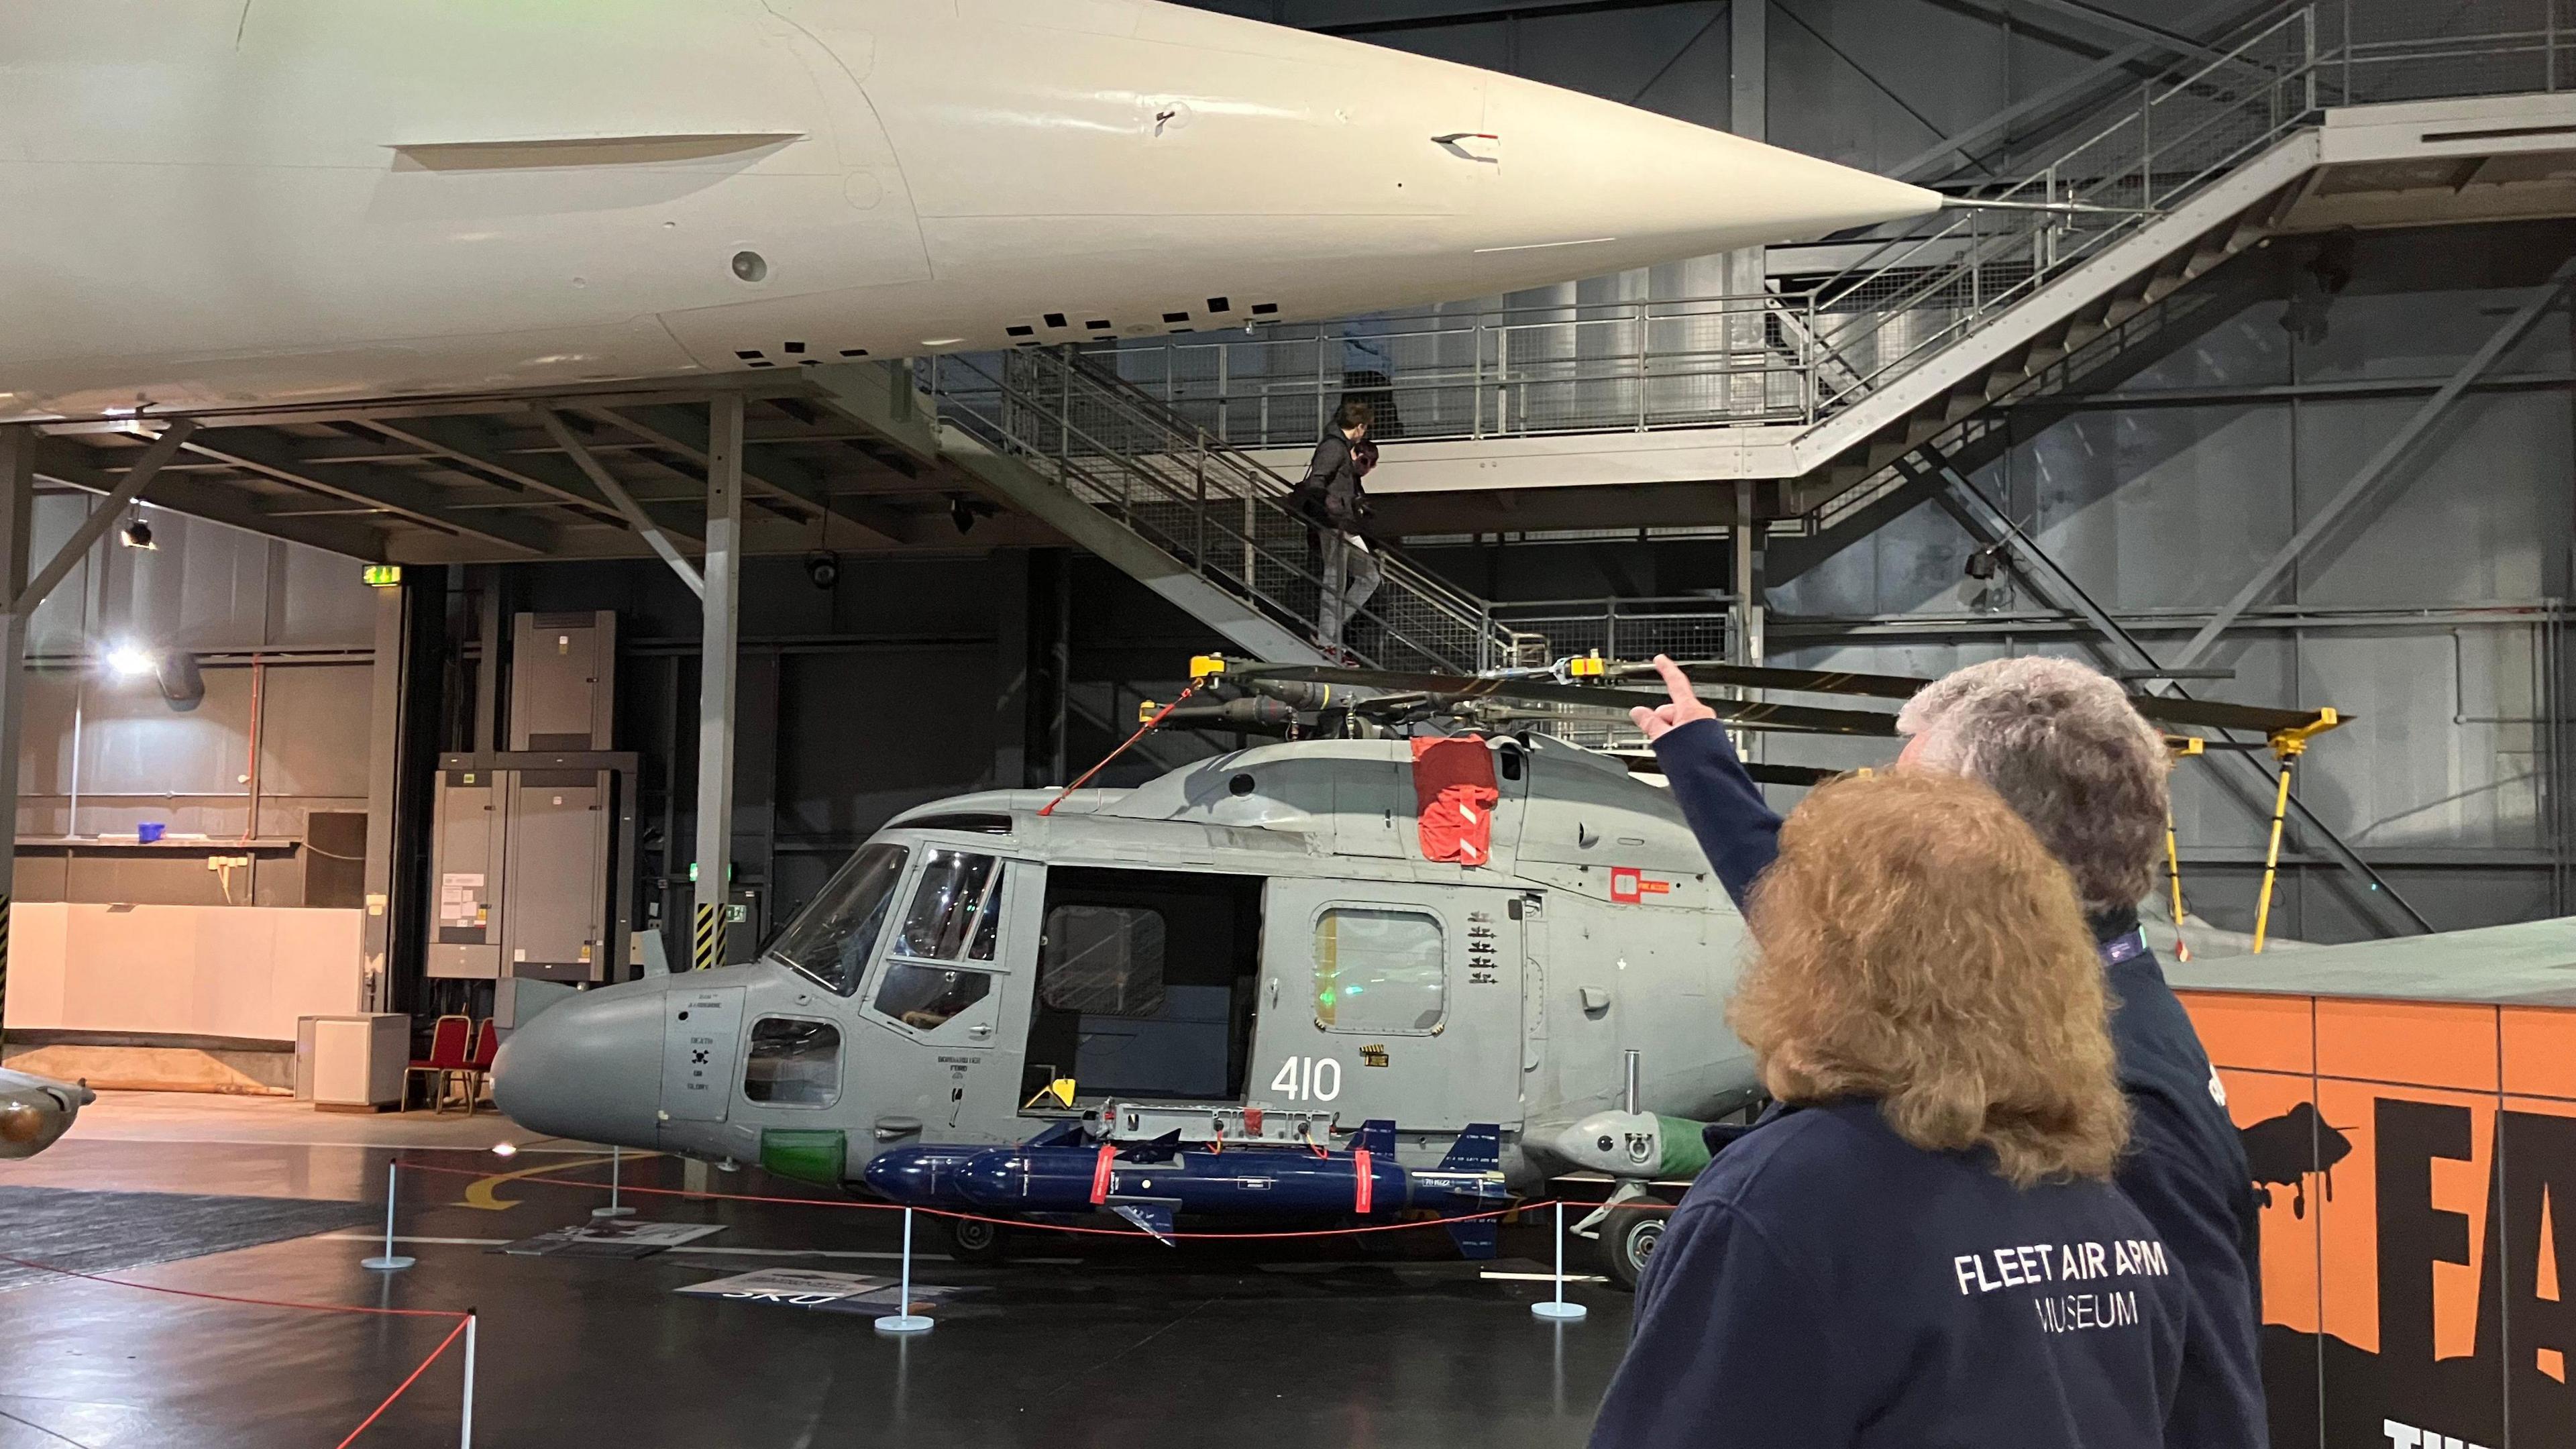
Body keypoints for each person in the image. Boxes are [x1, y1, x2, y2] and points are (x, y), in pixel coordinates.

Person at [1631, 653, 2266, 1449]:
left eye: (1909, 817)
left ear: (1988, 853)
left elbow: (2202, 1402)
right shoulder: (2036, 1018)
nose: (1879, 841)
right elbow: (1851, 935)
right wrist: (1700, 760)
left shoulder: (2121, 1094)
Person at [1291, 399, 1381, 657]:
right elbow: (1317, 482)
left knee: (1362, 578)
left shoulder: (1340, 445)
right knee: (1338, 580)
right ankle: (1326, 638)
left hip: (1341, 521)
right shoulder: (1334, 447)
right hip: (1335, 522)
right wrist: (1332, 508)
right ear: (1360, 426)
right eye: (1365, 428)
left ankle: (1326, 634)